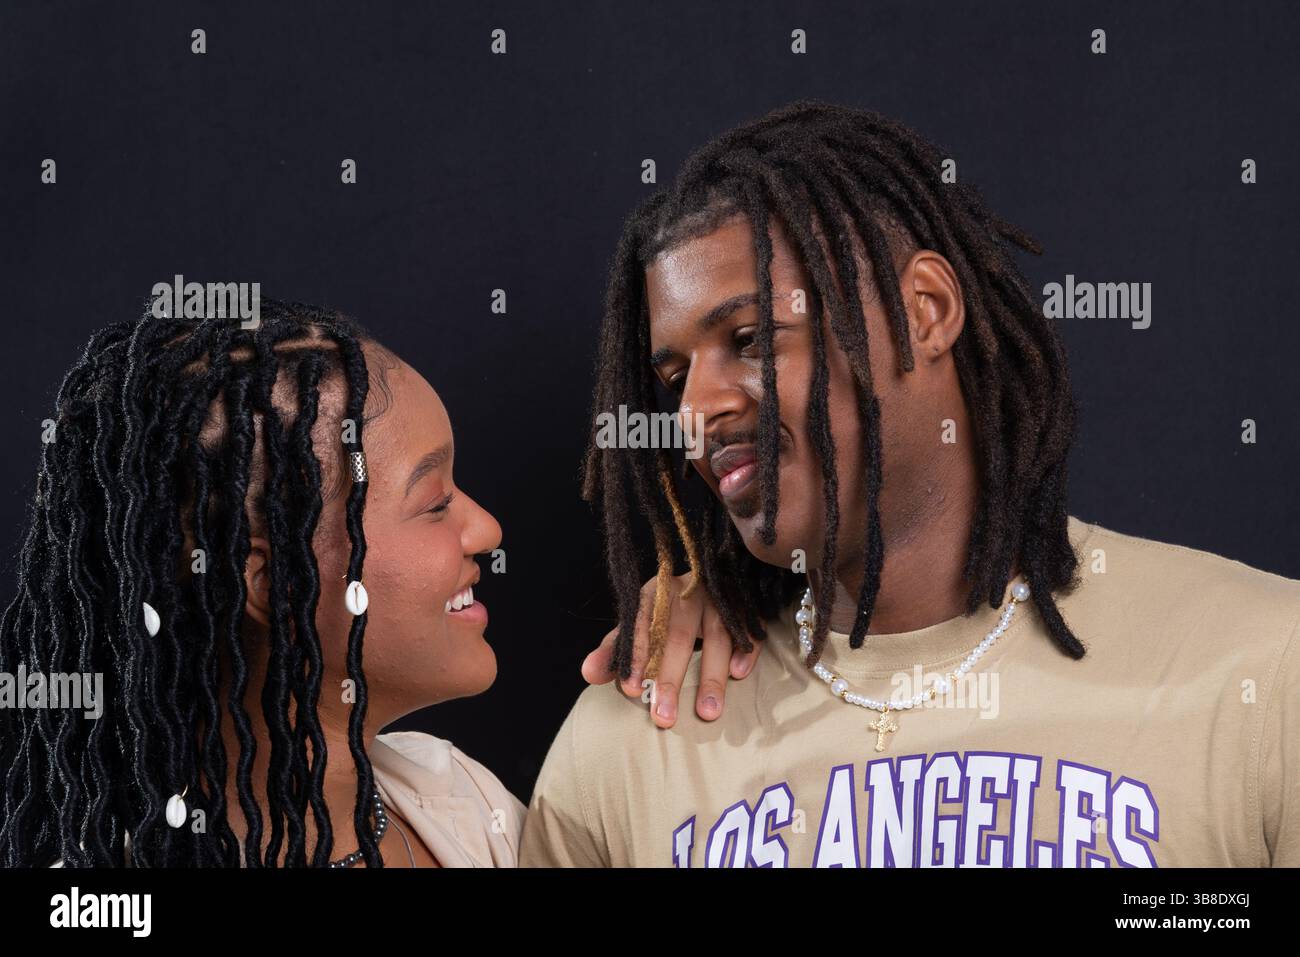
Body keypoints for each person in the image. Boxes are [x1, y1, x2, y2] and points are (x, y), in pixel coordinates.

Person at [522, 100, 1300, 867]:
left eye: (752, 338)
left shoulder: (1265, 670)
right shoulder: (626, 746)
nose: (696, 412)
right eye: (675, 377)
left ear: (925, 309)